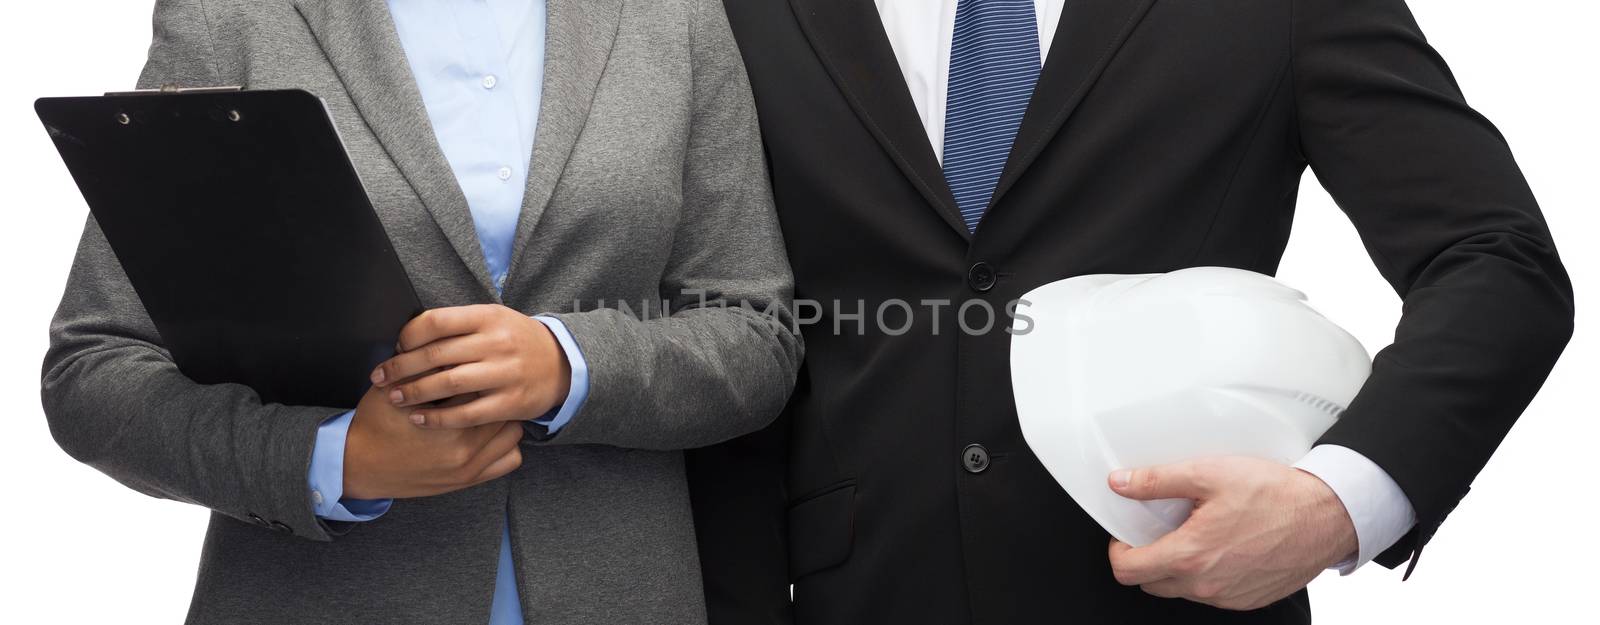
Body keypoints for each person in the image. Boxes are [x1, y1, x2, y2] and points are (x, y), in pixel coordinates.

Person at [688, 0, 1574, 623]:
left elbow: (1497, 260)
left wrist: (1332, 505)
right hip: (862, 597)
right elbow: (727, 332)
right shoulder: (728, 12)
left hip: (1183, 598)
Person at [40, 0, 800, 623]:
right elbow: (94, 368)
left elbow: (755, 334)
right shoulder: (233, 16)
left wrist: (573, 366)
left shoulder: (677, 15)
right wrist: (330, 459)